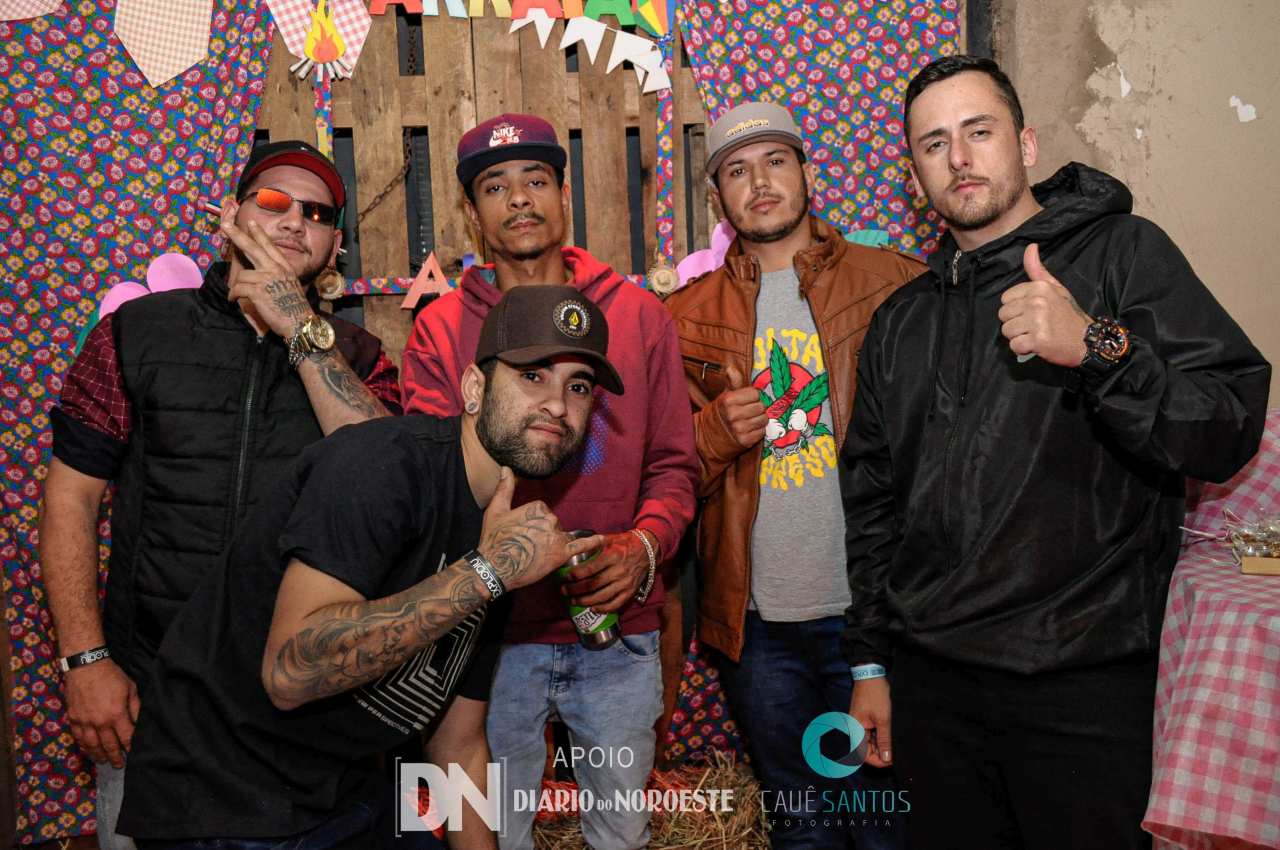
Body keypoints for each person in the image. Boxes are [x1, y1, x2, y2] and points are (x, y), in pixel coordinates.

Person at [841, 55, 1271, 850]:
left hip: (1082, 686)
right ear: (915, 175)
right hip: (933, 687)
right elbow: (872, 503)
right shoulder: (901, 321)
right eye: (934, 144)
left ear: (1027, 144)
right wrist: (870, 662)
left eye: (979, 131)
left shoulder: (1122, 255)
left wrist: (1098, 347)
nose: (959, 157)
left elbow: (1227, 425)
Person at [115, 284, 623, 846]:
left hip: (344, 791)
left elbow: (457, 744)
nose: (558, 404)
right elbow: (290, 673)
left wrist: (493, 571)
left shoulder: (505, 535)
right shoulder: (386, 463)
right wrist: (486, 573)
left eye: (579, 386)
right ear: (474, 388)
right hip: (224, 796)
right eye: (532, 376)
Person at [39, 139, 400, 849]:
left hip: (301, 708)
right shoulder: (135, 334)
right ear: (230, 218)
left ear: (334, 248)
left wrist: (299, 328)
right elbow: (69, 503)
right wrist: (86, 661)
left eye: (317, 214)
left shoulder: (359, 358)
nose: (294, 221)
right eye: (273, 201)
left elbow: (383, 481)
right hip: (149, 698)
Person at [401, 113, 698, 850]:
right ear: (471, 212)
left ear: (564, 195)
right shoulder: (441, 329)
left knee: (621, 834)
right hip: (487, 639)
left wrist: (642, 547)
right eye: (494, 186)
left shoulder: (637, 315)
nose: (519, 199)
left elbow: (674, 466)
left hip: (616, 632)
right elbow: (431, 486)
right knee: (492, 833)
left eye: (536, 179)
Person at [663, 101, 924, 849]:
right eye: (737, 171)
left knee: (885, 825)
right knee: (802, 823)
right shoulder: (682, 318)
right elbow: (660, 474)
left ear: (808, 171)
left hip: (873, 615)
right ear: (716, 195)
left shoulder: (894, 284)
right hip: (757, 623)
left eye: (776, 161)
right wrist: (713, 434)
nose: (760, 183)